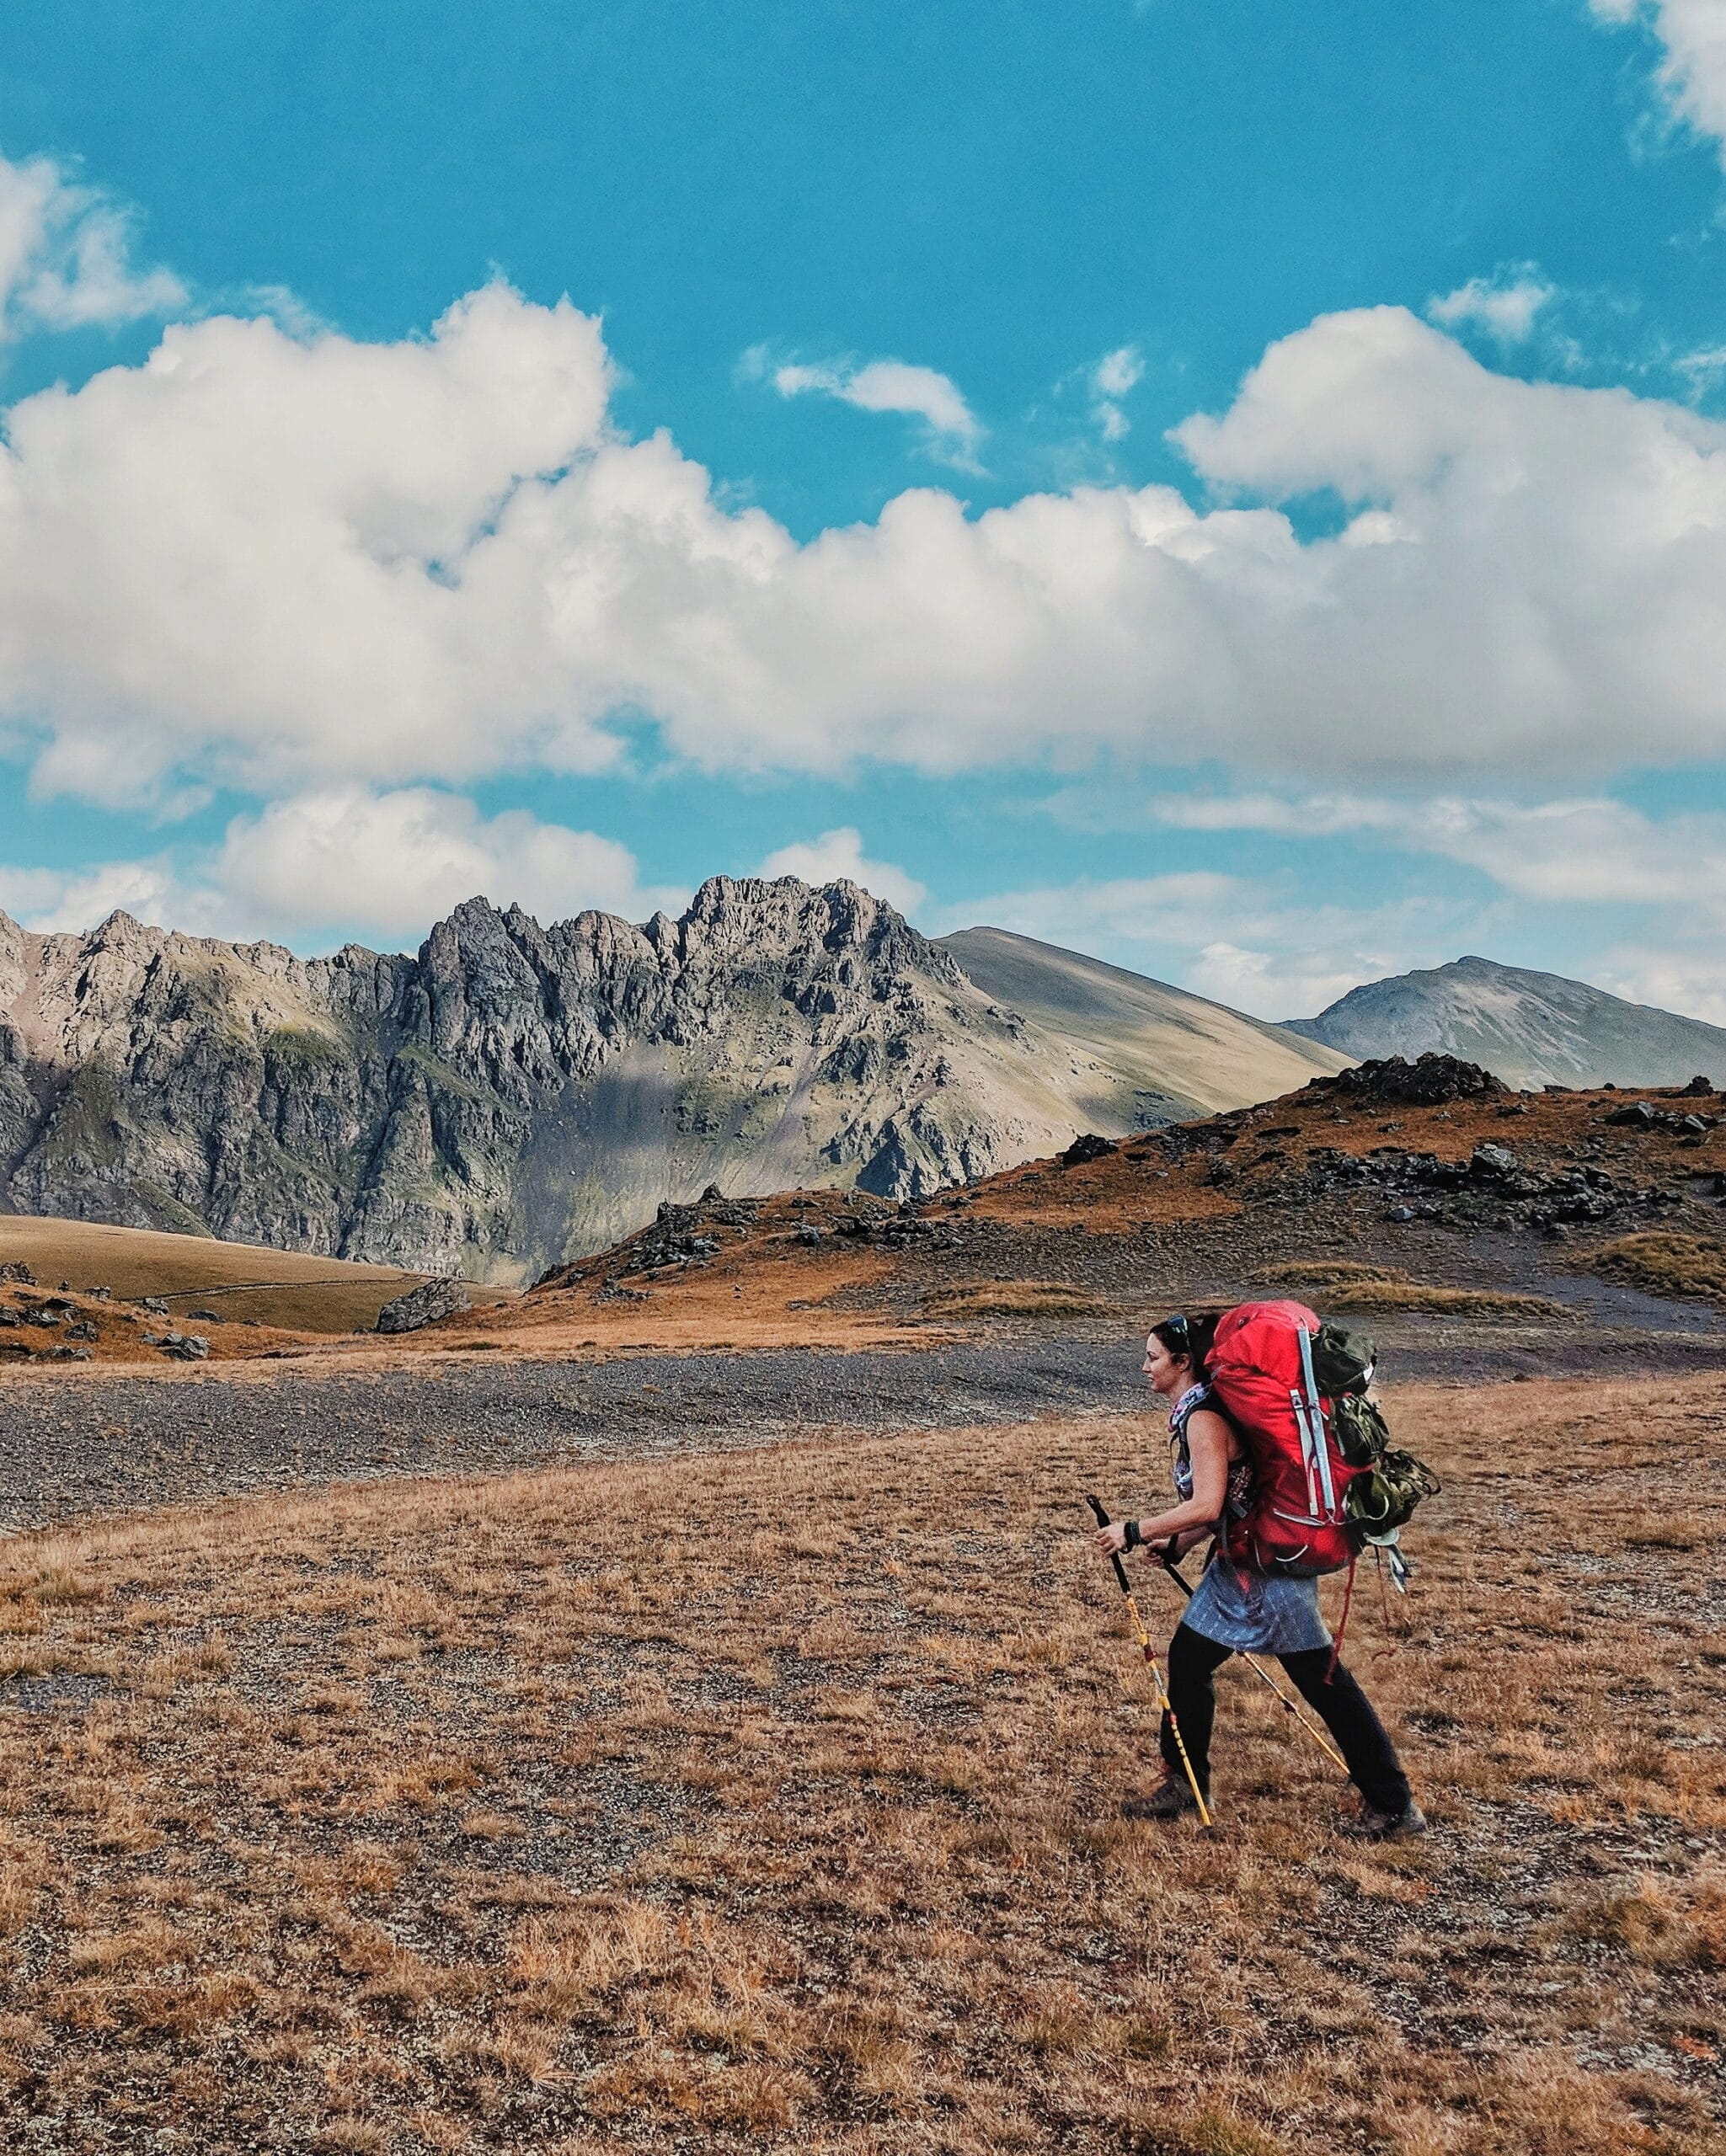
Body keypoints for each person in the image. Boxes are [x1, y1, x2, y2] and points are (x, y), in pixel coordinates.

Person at [1094, 1310, 1425, 1839]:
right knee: (1189, 1661)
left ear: (1184, 1362)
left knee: (1322, 1679)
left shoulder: (1205, 1418)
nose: (1144, 1367)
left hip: (1269, 1568)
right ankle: (1185, 1783)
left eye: (1153, 1357)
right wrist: (1177, 1546)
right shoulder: (1207, 1410)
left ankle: (1394, 1803)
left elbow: (1207, 1504)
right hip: (1247, 1559)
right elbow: (1237, 1498)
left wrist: (1133, 1530)